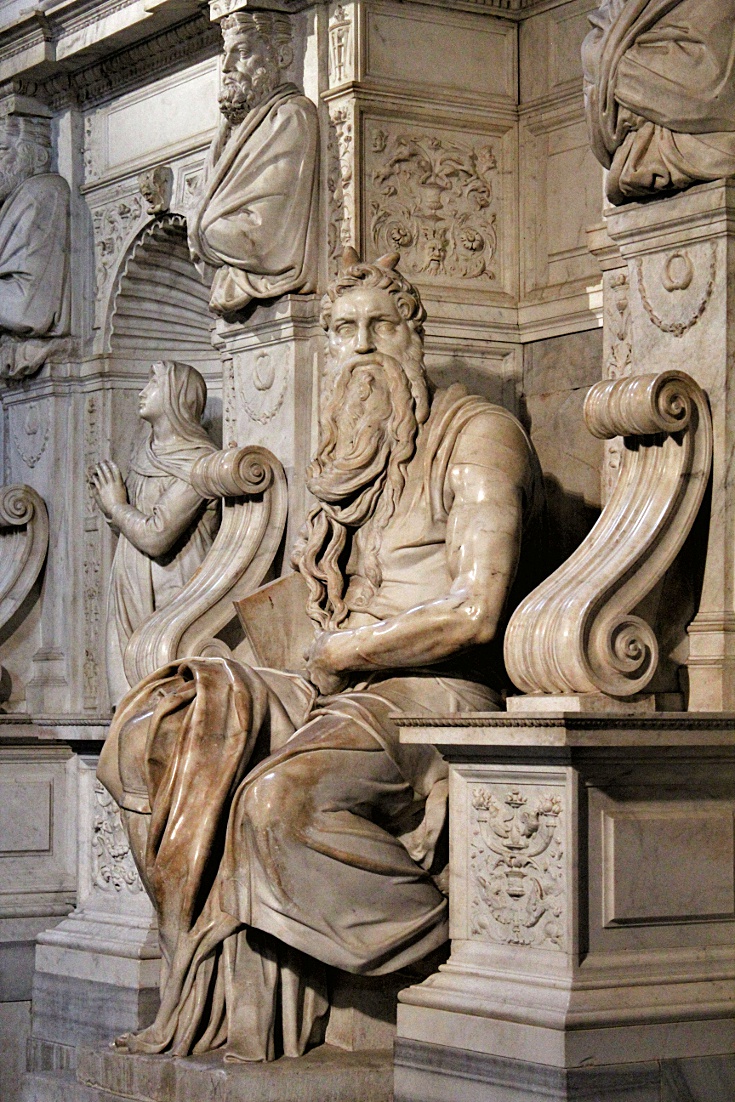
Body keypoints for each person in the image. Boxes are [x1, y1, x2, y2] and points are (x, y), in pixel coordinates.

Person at [97, 250, 545, 1061]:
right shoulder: (350, 452)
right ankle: (195, 981)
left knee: (274, 802)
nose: (362, 345)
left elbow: (475, 610)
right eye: (344, 329)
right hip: (335, 686)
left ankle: (449, 953)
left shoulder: (478, 435)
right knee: (151, 729)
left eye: (381, 326)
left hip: (432, 691)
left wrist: (345, 647)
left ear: (414, 335)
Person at [90, 362, 219, 707]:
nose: (143, 391)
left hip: (172, 592)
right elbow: (133, 528)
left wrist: (116, 505)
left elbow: (157, 536)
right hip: (132, 586)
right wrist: (112, 507)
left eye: (154, 383)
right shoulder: (145, 454)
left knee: (166, 701)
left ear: (178, 396)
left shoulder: (197, 461)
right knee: (132, 704)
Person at [187, 10, 318, 315]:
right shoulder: (229, 131)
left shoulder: (290, 117)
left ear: (281, 56)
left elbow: (265, 236)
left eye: (243, 53)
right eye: (226, 53)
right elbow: (201, 223)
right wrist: (205, 226)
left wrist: (206, 227)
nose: (227, 66)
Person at [583, 0, 735, 204]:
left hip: (712, 134)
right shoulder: (615, 16)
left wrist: (612, 66)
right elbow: (595, 52)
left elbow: (713, 82)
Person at [0, 110, 70, 378]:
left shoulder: (41, 193)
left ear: (38, 156)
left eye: (2, 150)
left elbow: (28, 310)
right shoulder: (14, 200)